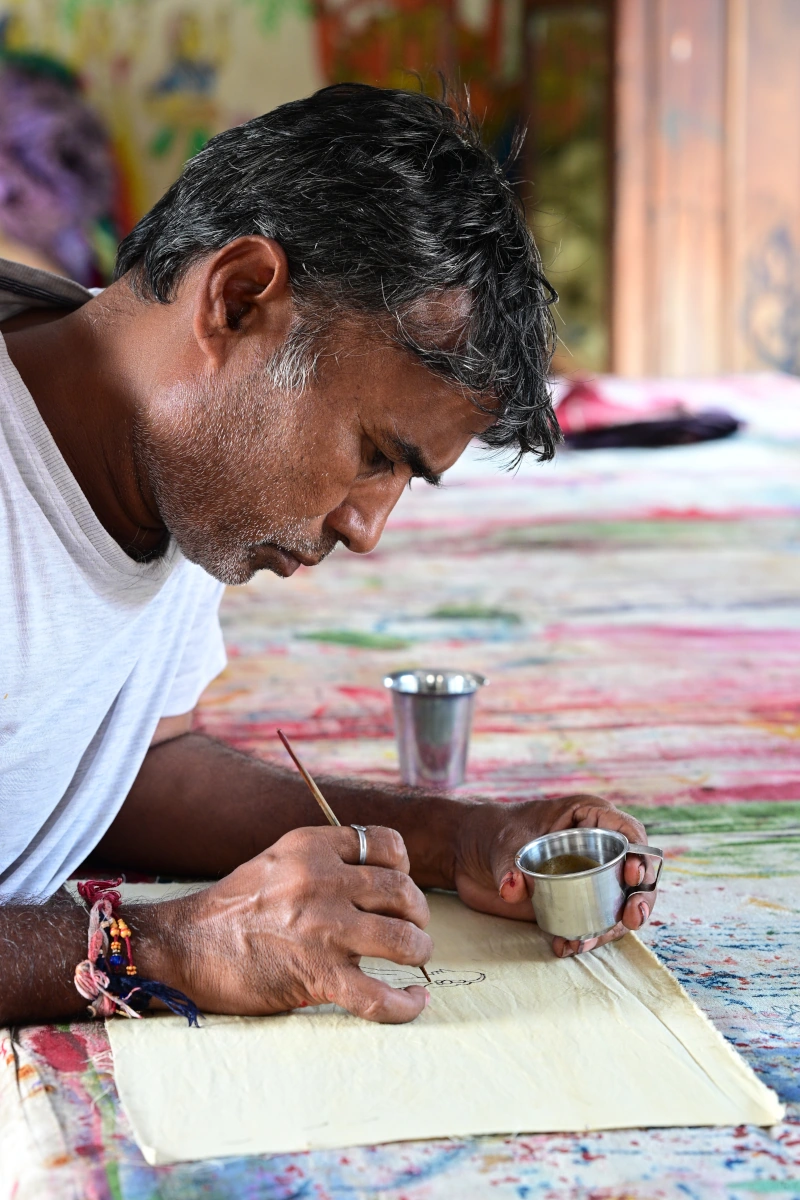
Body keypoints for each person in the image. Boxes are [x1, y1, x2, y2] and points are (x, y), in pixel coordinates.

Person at [0, 84, 657, 1027]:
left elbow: (130, 766)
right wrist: (169, 947)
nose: (365, 528)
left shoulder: (161, 456)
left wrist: (457, 837)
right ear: (237, 297)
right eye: (374, 454)